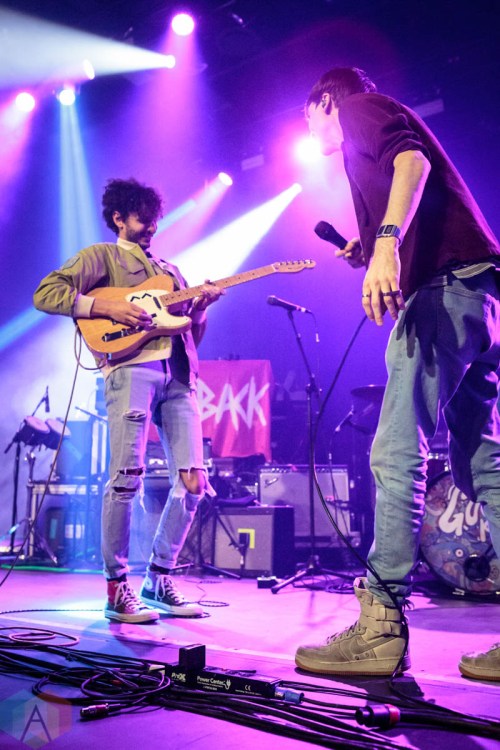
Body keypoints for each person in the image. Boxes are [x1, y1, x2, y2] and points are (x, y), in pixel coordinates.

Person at [296, 67, 500, 680]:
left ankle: (381, 624)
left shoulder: (358, 107)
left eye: (308, 116)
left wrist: (386, 245)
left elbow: (413, 161)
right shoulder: (368, 130)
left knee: (395, 450)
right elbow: (419, 194)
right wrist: (372, 244)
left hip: (443, 292)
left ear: (324, 101)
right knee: (485, 464)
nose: (310, 128)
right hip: (481, 296)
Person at [34, 178, 223, 624]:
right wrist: (107, 308)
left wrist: (200, 307)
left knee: (194, 481)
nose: (152, 227)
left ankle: (158, 578)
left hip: (179, 377)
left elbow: (191, 336)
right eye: (143, 219)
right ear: (118, 218)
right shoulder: (100, 256)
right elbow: (45, 293)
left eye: (155, 220)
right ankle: (116, 587)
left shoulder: (171, 271)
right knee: (125, 479)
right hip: (130, 371)